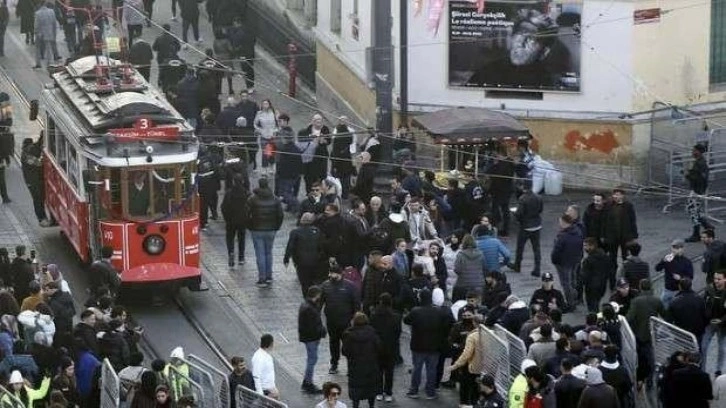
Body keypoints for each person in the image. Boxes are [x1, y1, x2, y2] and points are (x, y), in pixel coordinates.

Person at [404, 288, 452, 400]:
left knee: (417, 369)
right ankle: (430, 392)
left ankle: (414, 390)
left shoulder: (416, 311)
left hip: (418, 345)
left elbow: (406, 320)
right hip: (434, 346)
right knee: (432, 370)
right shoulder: (439, 312)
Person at [320, 265, 359, 375]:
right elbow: (320, 303)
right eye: (330, 273)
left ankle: (351, 365)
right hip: (332, 321)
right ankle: (334, 364)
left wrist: (355, 318)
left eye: (332, 273)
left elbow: (356, 304)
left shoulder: (350, 286)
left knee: (348, 345)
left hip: (346, 322)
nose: (330, 275)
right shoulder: (325, 285)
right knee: (333, 343)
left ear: (340, 274)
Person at [626, 279, 664, 389]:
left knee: (639, 357)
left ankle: (639, 379)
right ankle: (650, 379)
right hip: (651, 333)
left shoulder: (636, 301)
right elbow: (665, 314)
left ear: (640, 287)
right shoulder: (657, 300)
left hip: (638, 334)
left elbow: (630, 318)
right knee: (650, 357)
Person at [247, 178, 283, 288]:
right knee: (268, 253)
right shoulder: (275, 199)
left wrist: (250, 225)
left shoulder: (252, 199)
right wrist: (277, 226)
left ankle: (262, 278)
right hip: (271, 229)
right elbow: (280, 215)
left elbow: (246, 214)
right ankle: (269, 276)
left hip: (257, 229)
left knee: (260, 254)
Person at [342, 312, 381, 408]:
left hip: (355, 367)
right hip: (370, 366)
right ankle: (371, 405)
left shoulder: (348, 334)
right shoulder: (372, 333)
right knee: (370, 388)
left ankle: (355, 406)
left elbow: (344, 351)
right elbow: (379, 348)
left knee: (356, 388)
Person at [369, 293, 401, 402]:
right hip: (391, 347)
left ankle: (378, 392)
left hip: (377, 348)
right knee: (389, 371)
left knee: (378, 371)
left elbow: (371, 332)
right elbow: (398, 333)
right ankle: (388, 392)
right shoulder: (396, 316)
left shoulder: (373, 315)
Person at [284, 213, 325, 296]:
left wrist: (286, 258)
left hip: (301, 262)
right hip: (315, 261)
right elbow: (322, 246)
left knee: (304, 283)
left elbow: (290, 246)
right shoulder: (317, 231)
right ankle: (315, 296)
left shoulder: (295, 232)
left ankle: (307, 297)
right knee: (314, 281)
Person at [551, 213, 583, 311]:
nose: (559, 223)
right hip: (575, 260)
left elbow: (556, 251)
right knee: (573, 281)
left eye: (560, 222)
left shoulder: (562, 236)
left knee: (566, 283)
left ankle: (571, 303)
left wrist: (554, 260)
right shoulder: (578, 231)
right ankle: (575, 296)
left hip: (563, 263)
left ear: (565, 222)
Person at [297, 286, 325, 394]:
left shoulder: (306, 305)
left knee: (311, 359)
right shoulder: (309, 308)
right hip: (311, 338)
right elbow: (313, 326)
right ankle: (308, 383)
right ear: (316, 295)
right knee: (312, 360)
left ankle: (307, 381)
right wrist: (322, 331)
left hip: (309, 338)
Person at [602, 188, 639, 269]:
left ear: (622, 196)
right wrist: (604, 235)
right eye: (614, 194)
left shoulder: (628, 206)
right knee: (612, 257)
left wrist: (634, 236)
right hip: (612, 236)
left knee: (625, 256)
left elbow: (632, 221)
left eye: (617, 195)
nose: (615, 196)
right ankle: (612, 275)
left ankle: (626, 273)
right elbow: (604, 221)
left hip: (625, 236)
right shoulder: (609, 205)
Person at [514, 180, 543, 277]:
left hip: (525, 226)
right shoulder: (538, 197)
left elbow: (519, 213)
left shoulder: (523, 198)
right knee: (536, 248)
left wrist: (516, 216)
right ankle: (537, 268)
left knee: (520, 247)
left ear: (523, 186)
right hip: (536, 225)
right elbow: (540, 210)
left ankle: (517, 265)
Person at [655, 239, 693, 309]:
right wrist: (663, 261)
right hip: (668, 289)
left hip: (678, 291)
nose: (674, 250)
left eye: (677, 248)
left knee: (677, 309)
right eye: (673, 248)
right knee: (663, 309)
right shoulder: (668, 259)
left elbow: (690, 276)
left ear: (682, 249)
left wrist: (681, 278)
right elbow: (657, 269)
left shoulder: (686, 262)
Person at [685, 144, 711, 242]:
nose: (692, 152)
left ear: (699, 152)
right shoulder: (699, 162)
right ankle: (706, 225)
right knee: (692, 210)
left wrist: (687, 175)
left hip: (697, 191)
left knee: (693, 210)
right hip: (697, 190)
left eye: (694, 150)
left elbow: (699, 178)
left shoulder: (700, 163)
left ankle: (697, 233)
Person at [669, 278, 707, 343]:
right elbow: (705, 315)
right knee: (698, 349)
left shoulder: (674, 301)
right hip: (697, 331)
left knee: (682, 351)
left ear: (680, 287)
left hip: (681, 332)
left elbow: (669, 319)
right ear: (690, 286)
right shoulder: (699, 299)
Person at [21, 136, 48, 226]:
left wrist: (42, 137)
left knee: (41, 198)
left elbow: (37, 145)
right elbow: (38, 163)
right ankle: (41, 218)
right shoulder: (25, 156)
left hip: (36, 180)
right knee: (37, 199)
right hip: (32, 182)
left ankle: (44, 217)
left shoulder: (28, 150)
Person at [703, 270, 726, 374]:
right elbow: (703, 304)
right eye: (715, 278)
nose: (716, 281)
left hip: (723, 325)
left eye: (719, 279)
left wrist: (721, 320)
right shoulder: (709, 289)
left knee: (722, 348)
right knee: (703, 346)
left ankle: (718, 370)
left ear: (725, 279)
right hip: (709, 323)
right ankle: (702, 369)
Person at [580, 237, 611, 313]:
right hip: (602, 284)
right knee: (597, 302)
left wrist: (580, 284)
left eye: (586, 246)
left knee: (592, 306)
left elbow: (584, 276)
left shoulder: (588, 261)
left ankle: (595, 320)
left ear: (592, 246)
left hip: (591, 287)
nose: (584, 248)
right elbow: (609, 270)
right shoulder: (605, 257)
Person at [452, 234, 484, 302]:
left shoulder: (460, 255)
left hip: (463, 284)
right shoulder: (481, 254)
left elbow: (457, 269)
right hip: (478, 284)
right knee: (476, 303)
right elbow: (485, 268)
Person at [251, 334, 278, 399]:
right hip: (265, 391)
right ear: (271, 344)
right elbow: (256, 376)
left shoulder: (266, 355)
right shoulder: (259, 358)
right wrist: (261, 394)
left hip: (270, 389)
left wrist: (273, 387)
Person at [33, 1, 59, 69]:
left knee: (37, 49)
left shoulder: (37, 13)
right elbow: (54, 23)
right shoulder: (51, 12)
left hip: (40, 33)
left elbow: (36, 25)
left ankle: (38, 63)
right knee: (48, 48)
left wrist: (36, 33)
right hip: (49, 32)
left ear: (39, 4)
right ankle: (50, 62)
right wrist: (54, 32)